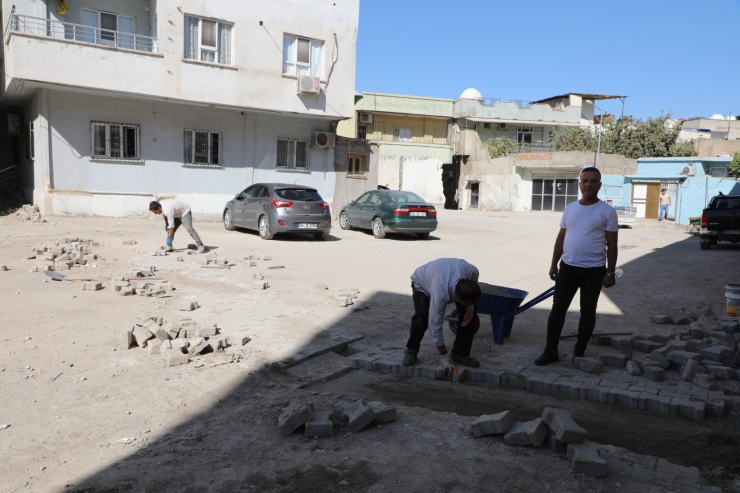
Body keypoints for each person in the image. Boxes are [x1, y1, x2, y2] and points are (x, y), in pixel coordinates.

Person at [535, 167, 618, 366]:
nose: (588, 184)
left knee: (588, 312)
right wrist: (554, 263)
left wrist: (611, 272)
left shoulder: (607, 211)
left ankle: (579, 350)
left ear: (599, 184)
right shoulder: (570, 208)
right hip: (568, 267)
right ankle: (550, 350)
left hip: (594, 270)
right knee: (557, 311)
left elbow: (612, 244)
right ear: (580, 183)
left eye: (593, 181)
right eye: (585, 180)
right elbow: (561, 236)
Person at [403, 258, 482, 377]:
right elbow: (435, 324)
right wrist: (444, 357)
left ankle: (460, 354)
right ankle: (411, 349)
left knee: (470, 315)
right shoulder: (441, 292)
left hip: (442, 274)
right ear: (456, 296)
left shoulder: (472, 271)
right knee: (422, 318)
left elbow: (473, 284)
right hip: (422, 283)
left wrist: (470, 307)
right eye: (466, 302)